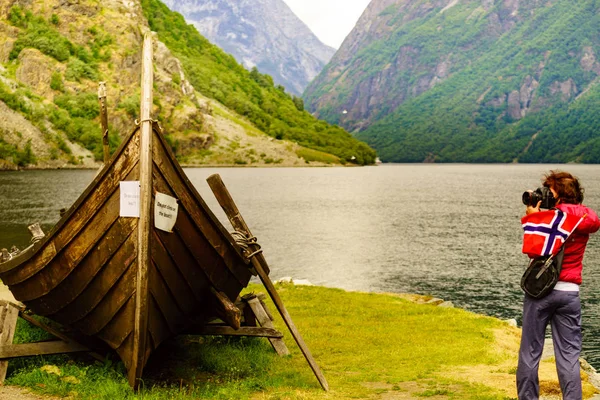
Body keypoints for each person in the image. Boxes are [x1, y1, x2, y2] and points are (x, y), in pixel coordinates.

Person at [517, 170, 600, 399]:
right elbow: (594, 219)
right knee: (569, 356)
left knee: (530, 352)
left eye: (549, 191)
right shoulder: (584, 218)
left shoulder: (550, 218)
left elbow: (533, 251)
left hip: (540, 292)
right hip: (570, 294)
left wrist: (533, 217)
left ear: (559, 195)